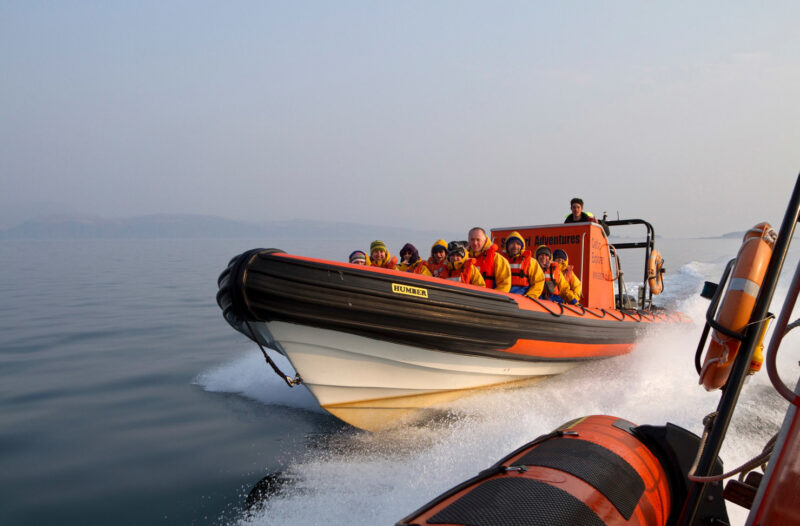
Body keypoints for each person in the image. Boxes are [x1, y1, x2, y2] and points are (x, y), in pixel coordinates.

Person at [501, 231, 544, 298]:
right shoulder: (500, 260)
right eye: (512, 243)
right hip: (503, 296)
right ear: (507, 246)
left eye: (518, 244)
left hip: (523, 297)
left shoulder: (531, 262)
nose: (515, 246)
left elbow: (538, 282)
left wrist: (530, 296)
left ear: (522, 246)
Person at [467, 227, 511, 292]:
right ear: (469, 241)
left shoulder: (497, 259)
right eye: (472, 240)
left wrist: (492, 299)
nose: (475, 243)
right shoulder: (463, 259)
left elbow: (504, 285)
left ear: (485, 240)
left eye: (478, 240)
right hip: (466, 298)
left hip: (489, 299)